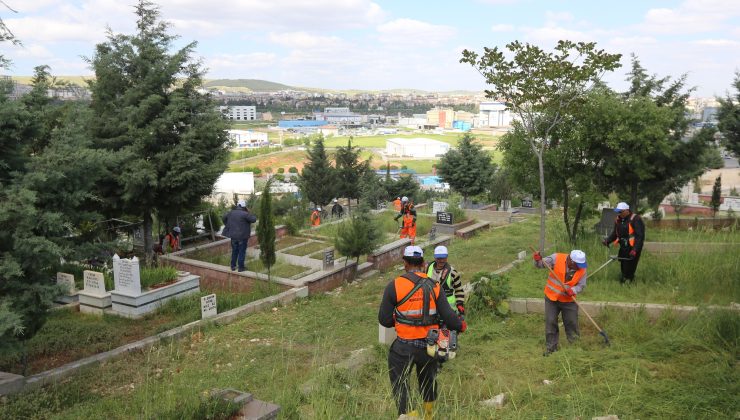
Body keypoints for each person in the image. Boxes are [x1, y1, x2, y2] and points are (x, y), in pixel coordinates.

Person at [379, 246, 466, 418]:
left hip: (403, 346)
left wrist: (401, 321)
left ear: (405, 263)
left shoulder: (394, 286)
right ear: (423, 263)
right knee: (428, 381)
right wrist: (460, 325)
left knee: (400, 382)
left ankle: (409, 415)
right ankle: (428, 415)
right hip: (430, 345)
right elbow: (449, 316)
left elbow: (384, 320)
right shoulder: (434, 286)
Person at [533, 249, 588, 356]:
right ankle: (551, 349)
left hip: (569, 301)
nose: (580, 267)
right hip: (551, 298)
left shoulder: (582, 269)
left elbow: (581, 285)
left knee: (572, 323)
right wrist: (537, 260)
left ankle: (575, 348)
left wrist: (573, 290)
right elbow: (540, 264)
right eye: (578, 265)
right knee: (551, 322)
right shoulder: (556, 258)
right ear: (571, 261)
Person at [602, 202, 645, 283]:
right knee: (623, 264)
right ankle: (624, 280)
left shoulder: (636, 219)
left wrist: (635, 249)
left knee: (630, 266)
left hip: (633, 247)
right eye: (618, 211)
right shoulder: (618, 219)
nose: (619, 213)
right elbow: (615, 233)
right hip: (623, 246)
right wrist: (607, 241)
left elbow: (640, 236)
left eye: (620, 211)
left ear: (626, 211)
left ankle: (629, 281)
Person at [426, 246, 465, 315]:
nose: (442, 260)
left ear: (447, 257)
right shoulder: (427, 269)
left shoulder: (452, 272)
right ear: (435, 257)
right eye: (439, 258)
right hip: (431, 309)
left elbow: (459, 290)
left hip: (448, 310)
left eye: (444, 258)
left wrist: (460, 304)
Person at [222, 200, 257, 272]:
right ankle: (241, 268)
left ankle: (233, 266)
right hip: (242, 236)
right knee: (241, 251)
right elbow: (254, 219)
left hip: (233, 236)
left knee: (235, 251)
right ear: (244, 206)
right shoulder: (245, 214)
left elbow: (223, 218)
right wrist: (249, 212)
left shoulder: (231, 212)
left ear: (238, 206)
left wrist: (228, 225)